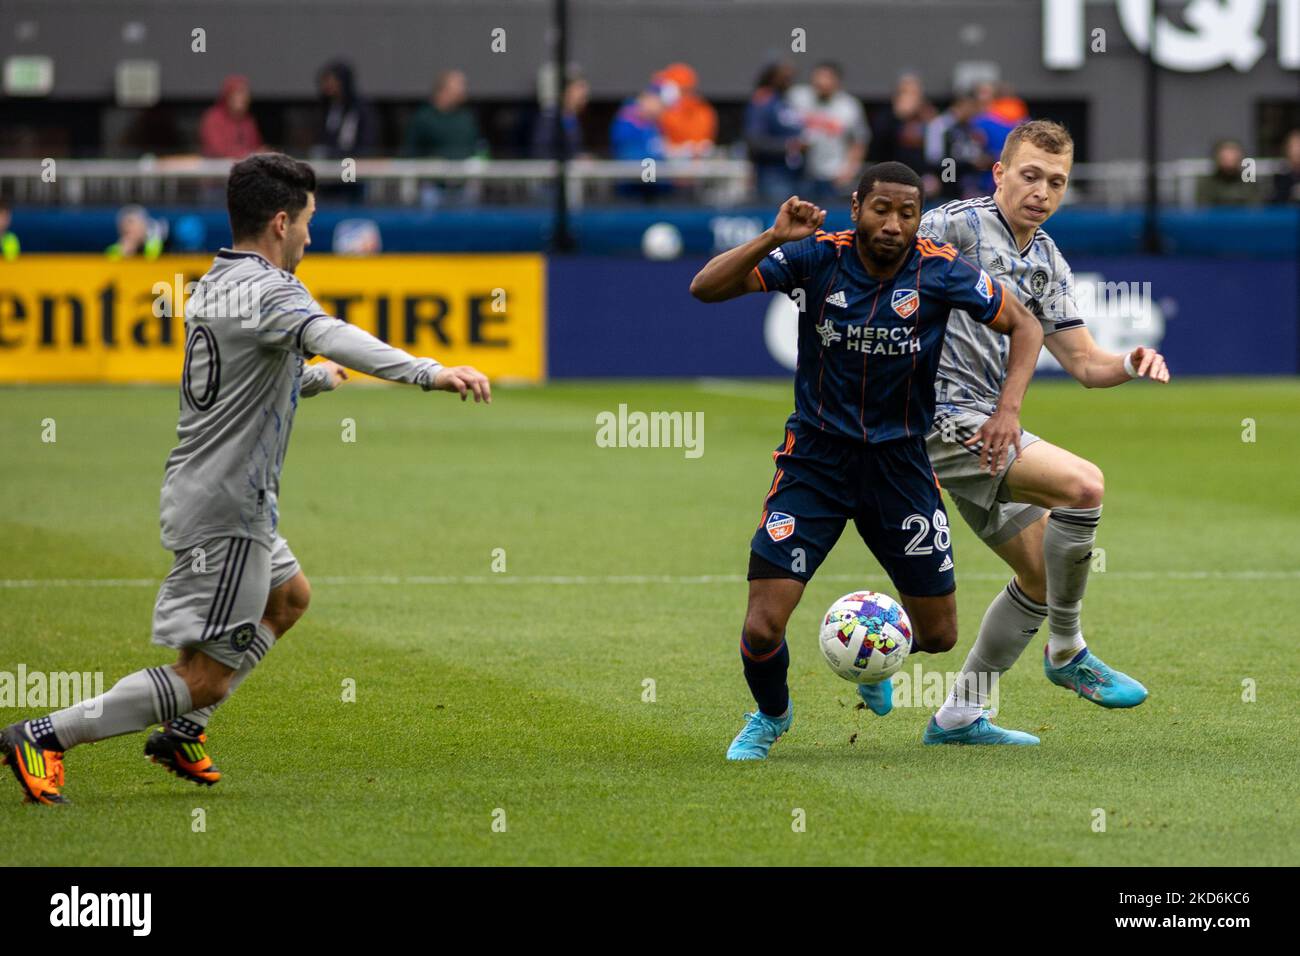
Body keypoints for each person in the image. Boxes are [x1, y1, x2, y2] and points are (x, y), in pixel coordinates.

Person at [1, 153, 491, 804]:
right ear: (281, 222)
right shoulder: (272, 292)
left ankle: (183, 731)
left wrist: (311, 379)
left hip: (218, 492)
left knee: (289, 599)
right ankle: (43, 733)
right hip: (228, 507)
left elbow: (243, 379)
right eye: (309, 223)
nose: (312, 238)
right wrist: (428, 370)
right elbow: (332, 333)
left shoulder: (217, 280)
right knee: (202, 675)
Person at [689, 162, 1044, 760]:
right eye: (882, 209)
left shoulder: (941, 270)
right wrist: (775, 236)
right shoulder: (815, 258)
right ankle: (770, 716)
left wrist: (1007, 411)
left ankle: (874, 662)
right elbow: (706, 287)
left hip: (900, 466)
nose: (894, 224)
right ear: (857, 208)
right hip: (815, 465)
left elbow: (1025, 325)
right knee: (761, 625)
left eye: (908, 213)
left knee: (938, 634)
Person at [911, 120, 1168, 742]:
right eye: (1029, 175)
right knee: (1083, 486)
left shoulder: (1047, 257)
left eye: (1056, 182)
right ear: (999, 173)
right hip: (942, 418)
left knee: (1040, 575)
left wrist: (1128, 364)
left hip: (980, 431)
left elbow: (1083, 364)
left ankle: (960, 716)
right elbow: (877, 265)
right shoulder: (952, 226)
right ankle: (1066, 649)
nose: (1041, 191)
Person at [787, 61, 869, 202]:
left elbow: (859, 141)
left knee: (829, 218)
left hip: (833, 174)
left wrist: (849, 171)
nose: (821, 82)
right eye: (818, 77)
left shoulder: (848, 106)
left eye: (826, 78)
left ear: (836, 81)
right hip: (802, 173)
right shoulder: (798, 98)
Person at [744, 60, 805, 202]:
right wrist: (789, 146)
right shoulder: (763, 102)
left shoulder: (786, 101)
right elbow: (755, 141)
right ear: (772, 76)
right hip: (773, 176)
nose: (789, 80)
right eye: (784, 76)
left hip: (795, 174)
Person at [924, 92, 991, 201]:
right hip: (943, 181)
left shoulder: (970, 126)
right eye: (972, 107)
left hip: (966, 183)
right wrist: (970, 163)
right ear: (961, 106)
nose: (974, 112)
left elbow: (972, 153)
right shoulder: (941, 125)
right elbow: (935, 160)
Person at [403, 70, 483, 159]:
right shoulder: (424, 118)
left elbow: (478, 148)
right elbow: (410, 153)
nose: (463, 90)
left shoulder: (466, 117)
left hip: (466, 170)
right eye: (458, 85)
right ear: (443, 90)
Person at [654, 62, 717, 158]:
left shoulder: (702, 112)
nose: (663, 89)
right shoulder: (661, 110)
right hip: (666, 166)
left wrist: (684, 149)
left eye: (667, 85)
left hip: (692, 167)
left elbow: (701, 146)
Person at [199, 75, 265, 159]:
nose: (242, 99)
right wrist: (248, 154)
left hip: (244, 168)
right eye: (237, 94)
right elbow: (217, 150)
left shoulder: (248, 121)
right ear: (227, 96)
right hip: (217, 169)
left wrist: (262, 152)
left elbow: (256, 146)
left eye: (245, 95)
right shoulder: (213, 118)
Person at [1196, 139, 1264, 206]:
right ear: (1217, 159)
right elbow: (1203, 210)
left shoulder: (1250, 183)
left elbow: (1255, 209)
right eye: (1224, 158)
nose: (1229, 164)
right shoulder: (1207, 184)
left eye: (1233, 159)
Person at [1271, 128, 1300, 204]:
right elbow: (1276, 201)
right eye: (1294, 146)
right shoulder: (1279, 178)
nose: (1297, 150)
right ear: (1287, 149)